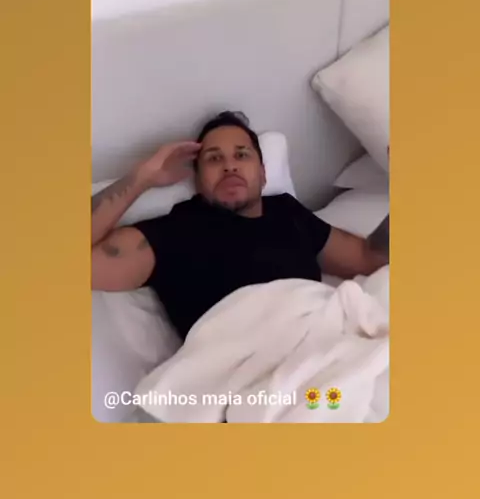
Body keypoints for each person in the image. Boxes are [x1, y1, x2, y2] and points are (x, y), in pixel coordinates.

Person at [91, 111, 389, 341]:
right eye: (213, 159)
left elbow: (367, 258)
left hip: (325, 347)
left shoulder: (288, 213)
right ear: (197, 180)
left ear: (263, 173)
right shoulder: (171, 232)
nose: (229, 165)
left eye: (242, 154)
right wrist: (142, 178)